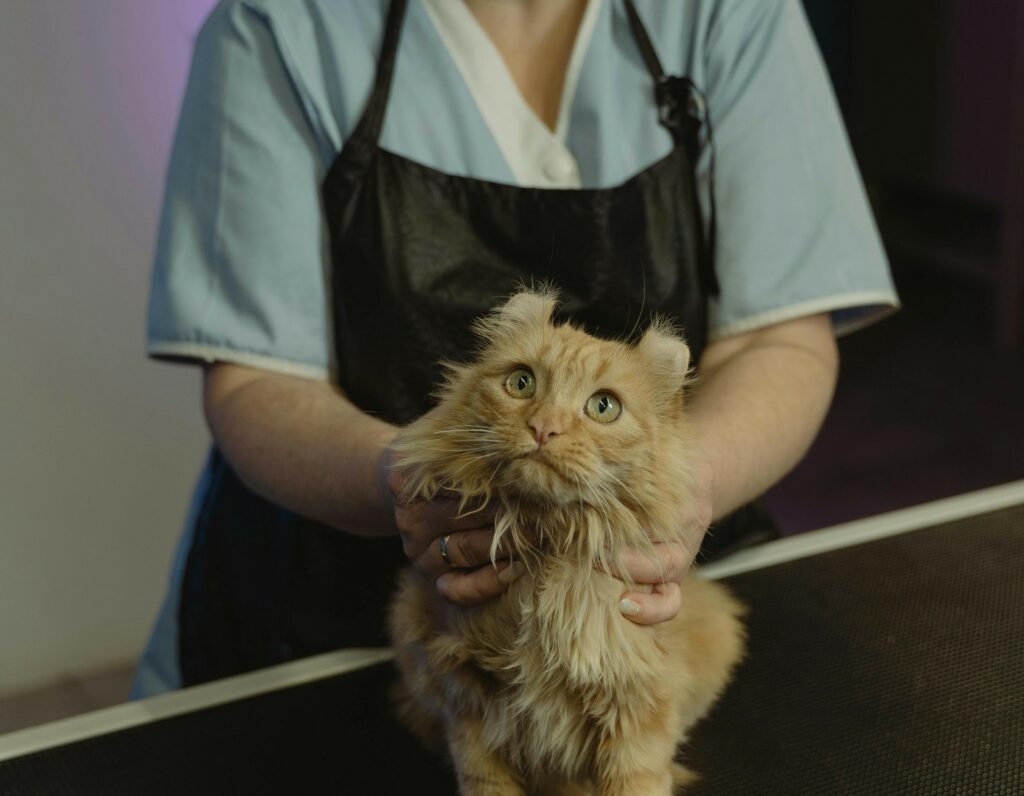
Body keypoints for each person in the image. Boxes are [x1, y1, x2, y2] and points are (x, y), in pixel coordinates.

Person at [134, 0, 897, 698]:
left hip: (654, 606)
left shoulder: (733, 13)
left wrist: (680, 489)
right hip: (323, 616)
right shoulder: (278, 25)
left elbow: (778, 338)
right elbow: (254, 383)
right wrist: (406, 480)